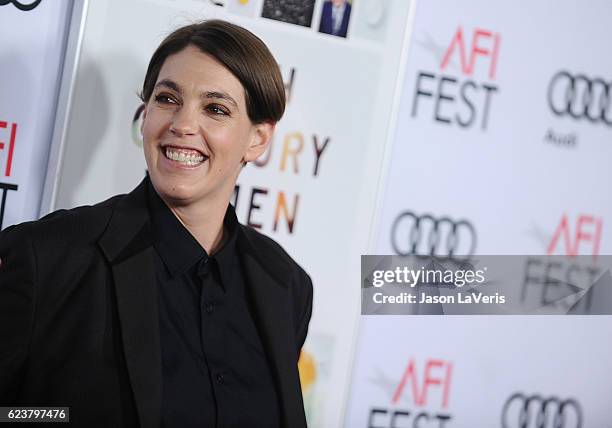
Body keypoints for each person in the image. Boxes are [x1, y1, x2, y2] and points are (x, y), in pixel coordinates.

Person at [0, 19, 313, 428]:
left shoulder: (285, 286)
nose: (182, 125)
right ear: (145, 115)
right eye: (168, 99)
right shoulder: (48, 258)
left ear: (257, 139)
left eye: (215, 109)